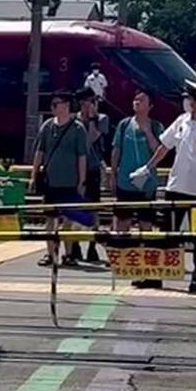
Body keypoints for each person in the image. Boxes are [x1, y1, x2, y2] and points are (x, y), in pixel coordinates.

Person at [131, 79, 196, 293]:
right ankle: (155, 275)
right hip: (177, 186)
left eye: (189, 98)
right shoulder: (181, 121)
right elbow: (165, 146)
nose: (186, 102)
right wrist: (148, 167)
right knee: (166, 233)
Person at [112, 91, 165, 287]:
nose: (137, 102)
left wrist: (147, 131)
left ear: (150, 105)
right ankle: (126, 264)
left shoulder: (156, 125)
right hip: (125, 181)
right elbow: (116, 150)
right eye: (135, 100)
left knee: (146, 225)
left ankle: (146, 266)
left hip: (146, 184)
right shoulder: (124, 124)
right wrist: (114, 174)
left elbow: (158, 150)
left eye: (142, 100)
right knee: (122, 224)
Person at [28, 92, 87, 268]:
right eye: (52, 104)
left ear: (66, 105)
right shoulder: (47, 127)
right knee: (50, 219)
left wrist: (82, 181)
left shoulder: (78, 128)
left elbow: (82, 156)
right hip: (50, 181)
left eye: (56, 103)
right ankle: (50, 253)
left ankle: (68, 254)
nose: (53, 107)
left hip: (70, 181)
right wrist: (34, 175)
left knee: (68, 219)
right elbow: (40, 152)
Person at [73, 90, 111, 265]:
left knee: (93, 207)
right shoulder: (74, 120)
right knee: (74, 206)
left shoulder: (102, 119)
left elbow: (93, 138)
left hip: (93, 167)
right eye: (85, 102)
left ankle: (92, 246)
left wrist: (92, 119)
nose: (88, 106)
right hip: (74, 168)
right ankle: (73, 244)